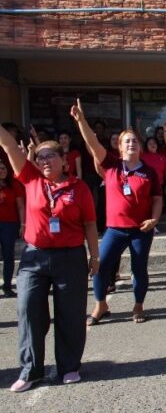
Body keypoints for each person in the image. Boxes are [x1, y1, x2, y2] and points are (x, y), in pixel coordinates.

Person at [0, 124, 99, 392]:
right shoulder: (31, 178)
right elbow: (9, 145)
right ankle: (30, 370)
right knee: (29, 309)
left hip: (70, 256)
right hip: (35, 257)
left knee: (70, 314)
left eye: (50, 156)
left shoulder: (79, 188)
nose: (44, 161)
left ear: (64, 161)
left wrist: (95, 256)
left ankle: (69, 367)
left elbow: (90, 224)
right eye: (40, 157)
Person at [71, 100, 163, 325]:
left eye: (134, 141)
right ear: (120, 147)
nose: (131, 143)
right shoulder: (111, 165)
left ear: (139, 146)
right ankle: (101, 304)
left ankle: (138, 305)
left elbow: (158, 199)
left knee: (139, 269)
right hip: (115, 229)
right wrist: (82, 121)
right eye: (126, 141)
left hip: (141, 230)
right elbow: (92, 143)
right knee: (99, 267)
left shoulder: (149, 172)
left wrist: (155, 218)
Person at [0, 160, 25, 297]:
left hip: (9, 224)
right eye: (0, 169)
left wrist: (23, 224)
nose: (2, 171)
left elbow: (21, 206)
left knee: (8, 256)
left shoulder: (14, 185)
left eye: (4, 168)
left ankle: (7, 285)